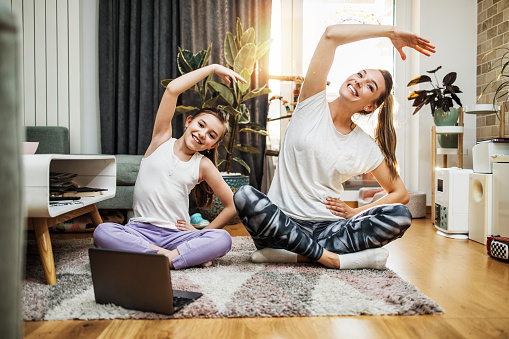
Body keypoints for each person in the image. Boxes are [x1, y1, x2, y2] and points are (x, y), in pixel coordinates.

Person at [234, 24, 435, 270]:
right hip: (282, 223)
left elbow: (400, 194)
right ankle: (329, 258)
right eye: (360, 75)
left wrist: (357, 212)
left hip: (328, 229)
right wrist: (391, 33)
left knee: (401, 216)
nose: (359, 81)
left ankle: (292, 254)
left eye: (369, 86)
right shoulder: (311, 103)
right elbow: (330, 35)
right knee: (244, 196)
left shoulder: (364, 145)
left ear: (370, 106)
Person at [94, 64, 247, 269]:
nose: (203, 134)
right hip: (139, 230)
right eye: (201, 125)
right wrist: (212, 68)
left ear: (214, 144)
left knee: (223, 239)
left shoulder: (203, 165)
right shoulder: (160, 140)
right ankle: (172, 257)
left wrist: (201, 233)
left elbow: (232, 205)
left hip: (177, 235)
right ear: (189, 121)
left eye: (211, 135)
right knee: (102, 232)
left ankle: (157, 256)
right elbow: (172, 89)